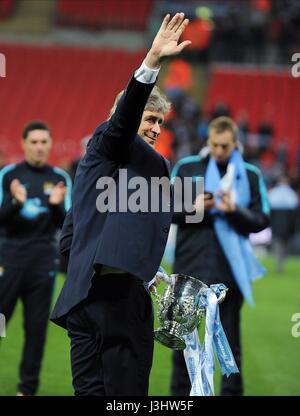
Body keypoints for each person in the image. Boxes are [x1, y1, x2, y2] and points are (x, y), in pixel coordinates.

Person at [50, 13, 191, 396]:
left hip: (87, 297)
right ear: (124, 118)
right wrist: (152, 61)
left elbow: (69, 239)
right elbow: (125, 120)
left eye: (161, 122)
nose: (157, 129)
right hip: (112, 302)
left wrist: (139, 267)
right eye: (150, 118)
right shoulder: (108, 141)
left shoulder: (104, 170)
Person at [170, 116, 270, 396]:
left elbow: (262, 219)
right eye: (214, 145)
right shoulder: (187, 168)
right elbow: (164, 211)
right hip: (188, 272)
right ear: (208, 140)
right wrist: (194, 207)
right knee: (182, 349)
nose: (218, 151)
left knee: (230, 350)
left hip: (229, 275)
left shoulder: (248, 174)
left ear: (235, 143)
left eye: (224, 146)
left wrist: (234, 210)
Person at [0, 120, 72, 396]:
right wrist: (14, 202)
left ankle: (26, 390)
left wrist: (55, 206)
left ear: (50, 144)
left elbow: (66, 226)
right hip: (9, 261)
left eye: (44, 142)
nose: (39, 147)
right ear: (24, 143)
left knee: (36, 331)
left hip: (43, 265)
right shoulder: (8, 175)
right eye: (34, 142)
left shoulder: (60, 179)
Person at [268, 176, 299, 273]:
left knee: (278, 244)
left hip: (277, 224)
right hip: (287, 225)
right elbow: (295, 213)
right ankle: (280, 264)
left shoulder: (273, 193)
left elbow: (269, 211)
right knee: (284, 245)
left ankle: (279, 264)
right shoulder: (292, 194)